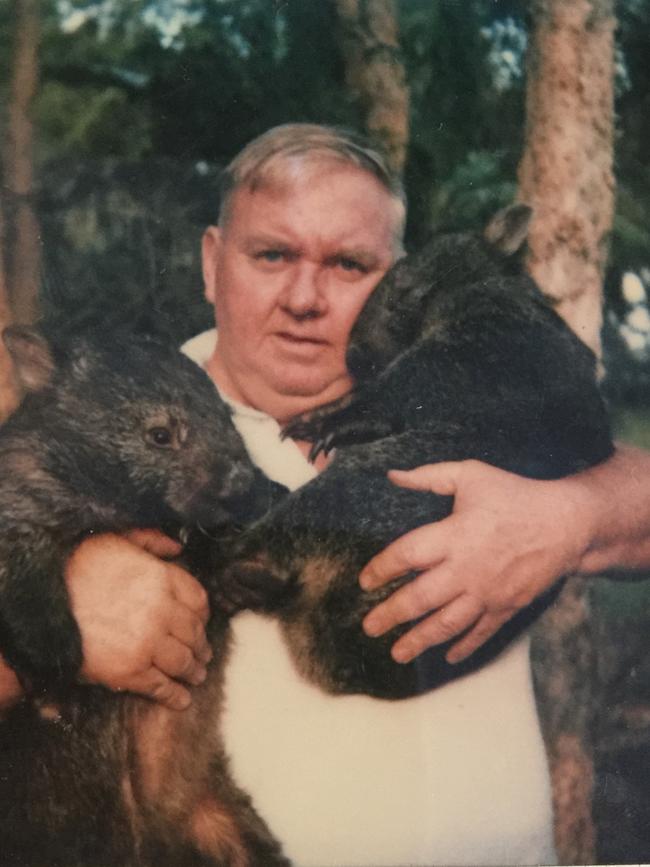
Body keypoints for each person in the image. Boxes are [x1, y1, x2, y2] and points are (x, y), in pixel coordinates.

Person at [0, 123, 649, 863]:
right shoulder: (121, 427)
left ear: (398, 279)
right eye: (272, 255)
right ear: (213, 264)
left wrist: (568, 518)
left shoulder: (468, 394)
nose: (305, 297)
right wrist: (56, 630)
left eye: (349, 263)